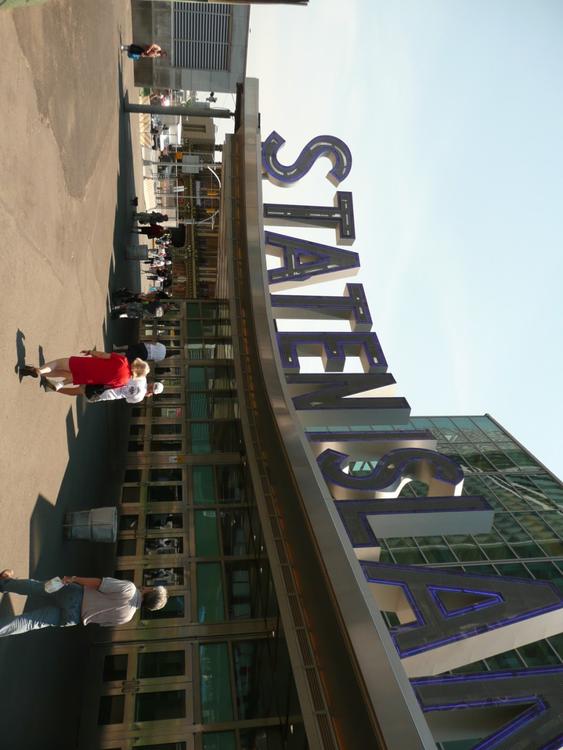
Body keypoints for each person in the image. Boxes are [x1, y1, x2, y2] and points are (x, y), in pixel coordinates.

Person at [0, 568, 168, 638]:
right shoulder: (127, 617)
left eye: (150, 588)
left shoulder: (130, 589)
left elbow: (98, 583)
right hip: (74, 618)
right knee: (31, 622)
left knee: (38, 588)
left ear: (149, 592)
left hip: (75, 595)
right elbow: (100, 622)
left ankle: (5, 582)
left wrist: (74, 579)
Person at [19, 350, 149, 392]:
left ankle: (39, 371)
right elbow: (107, 386)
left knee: (58, 364)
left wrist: (91, 352)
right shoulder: (124, 382)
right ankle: (61, 383)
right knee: (62, 374)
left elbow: (103, 355)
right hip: (88, 378)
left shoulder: (123, 361)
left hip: (86, 365)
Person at [55, 379, 164, 403]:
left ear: (152, 383)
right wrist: (143, 394)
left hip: (108, 382)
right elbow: (128, 400)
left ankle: (58, 384)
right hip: (109, 394)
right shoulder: (139, 397)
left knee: (84, 380)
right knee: (79, 391)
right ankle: (57, 389)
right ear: (152, 393)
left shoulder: (142, 378)